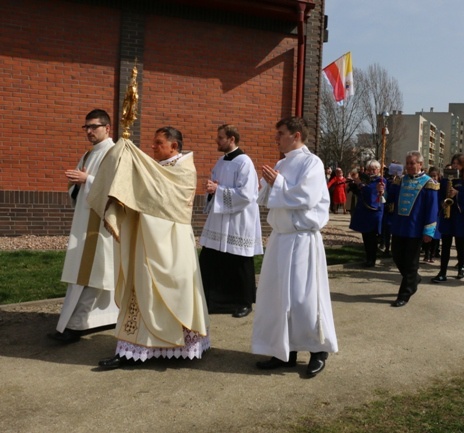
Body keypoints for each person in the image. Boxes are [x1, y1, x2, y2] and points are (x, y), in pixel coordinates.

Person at [90, 126, 210, 369]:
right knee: (143, 287)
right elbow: (141, 189)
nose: (153, 147)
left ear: (174, 146)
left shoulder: (184, 170)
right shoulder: (157, 169)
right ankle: (134, 348)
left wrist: (133, 156)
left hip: (172, 243)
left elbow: (160, 198)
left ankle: (181, 345)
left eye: (158, 143)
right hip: (147, 239)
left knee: (174, 289)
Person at [252, 117, 338, 378]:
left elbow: (306, 197)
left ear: (296, 135)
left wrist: (277, 183)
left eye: (281, 133)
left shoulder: (312, 162)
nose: (276, 138)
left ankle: (317, 350)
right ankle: (285, 351)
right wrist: (268, 185)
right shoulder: (281, 163)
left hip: (302, 239)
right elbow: (267, 199)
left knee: (304, 297)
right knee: (278, 296)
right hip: (281, 238)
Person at [48, 109, 119, 344]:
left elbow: (117, 188)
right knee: (93, 272)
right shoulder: (89, 155)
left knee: (94, 274)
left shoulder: (114, 152)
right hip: (85, 221)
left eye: (94, 127)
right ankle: (98, 318)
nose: (89, 131)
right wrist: (78, 183)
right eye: (86, 127)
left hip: (103, 223)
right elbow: (75, 187)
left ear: (107, 128)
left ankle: (76, 326)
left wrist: (86, 180)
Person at [199, 124, 263, 318]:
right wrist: (213, 189)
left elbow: (247, 194)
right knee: (212, 258)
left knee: (239, 261)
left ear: (232, 139)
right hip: (220, 219)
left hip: (238, 219)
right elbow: (216, 184)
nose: (217, 141)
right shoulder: (221, 161)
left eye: (220, 138)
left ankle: (244, 302)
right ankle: (213, 301)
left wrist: (218, 190)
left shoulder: (244, 162)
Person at [386, 151, 439, 307]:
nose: (409, 166)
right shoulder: (400, 181)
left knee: (410, 262)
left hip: (415, 229)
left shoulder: (429, 183)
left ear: (420, 164)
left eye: (412, 163)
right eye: (407, 163)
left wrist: (429, 231)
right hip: (399, 227)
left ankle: (405, 293)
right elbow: (390, 199)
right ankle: (413, 278)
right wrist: (383, 190)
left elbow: (432, 209)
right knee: (397, 256)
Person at [431, 154, 464, 283]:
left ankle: (461, 267)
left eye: (458, 163)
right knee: (445, 244)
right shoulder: (445, 179)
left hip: (461, 216)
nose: (455, 165)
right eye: (454, 163)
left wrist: (458, 194)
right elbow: (439, 195)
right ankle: (442, 271)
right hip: (447, 216)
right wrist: (442, 203)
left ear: (463, 165)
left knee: (461, 244)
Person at [349, 160, 384, 267]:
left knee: (372, 238)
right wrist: (355, 186)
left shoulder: (380, 181)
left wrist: (361, 185)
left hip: (373, 213)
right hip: (364, 212)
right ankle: (368, 257)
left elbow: (371, 193)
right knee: (365, 237)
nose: (371, 171)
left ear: (378, 170)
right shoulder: (367, 180)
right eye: (369, 169)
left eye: (373, 169)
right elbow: (362, 193)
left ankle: (372, 259)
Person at [380, 163, 403, 257]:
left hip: (396, 208)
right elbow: (387, 192)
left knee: (395, 231)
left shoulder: (401, 181)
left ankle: (395, 249)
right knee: (386, 229)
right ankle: (386, 247)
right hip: (388, 206)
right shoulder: (388, 181)